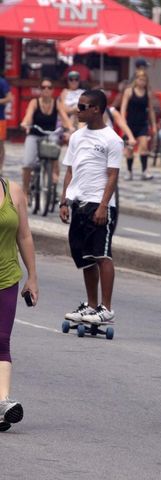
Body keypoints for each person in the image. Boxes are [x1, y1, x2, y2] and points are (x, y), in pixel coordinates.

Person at [59, 89, 123, 325]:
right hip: (79, 203)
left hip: (100, 204)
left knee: (102, 255)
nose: (78, 110)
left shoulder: (112, 139)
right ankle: (91, 305)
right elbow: (69, 170)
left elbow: (113, 175)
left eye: (83, 107)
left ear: (96, 109)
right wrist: (64, 200)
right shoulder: (76, 137)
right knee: (85, 257)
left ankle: (106, 308)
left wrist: (103, 206)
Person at [0, 175, 38, 432]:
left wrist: (32, 277)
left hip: (6, 278)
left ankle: (2, 403)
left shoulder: (12, 190)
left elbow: (24, 236)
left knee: (1, 340)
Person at [20, 78, 73, 199]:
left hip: (50, 134)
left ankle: (53, 184)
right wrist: (25, 123)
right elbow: (28, 115)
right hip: (34, 134)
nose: (46, 90)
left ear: (53, 90)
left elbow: (64, 117)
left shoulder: (56, 103)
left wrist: (70, 127)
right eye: (43, 87)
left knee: (55, 158)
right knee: (28, 163)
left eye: (49, 87)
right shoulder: (34, 102)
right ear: (40, 89)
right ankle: (25, 191)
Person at [121, 70, 157, 181]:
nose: (142, 82)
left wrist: (154, 125)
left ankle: (144, 171)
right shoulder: (129, 91)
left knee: (144, 146)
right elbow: (123, 108)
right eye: (140, 79)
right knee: (130, 149)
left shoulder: (148, 93)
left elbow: (151, 110)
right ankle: (129, 171)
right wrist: (123, 124)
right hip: (130, 124)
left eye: (144, 80)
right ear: (136, 80)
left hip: (143, 124)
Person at [0, 71, 12, 175]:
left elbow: (9, 98)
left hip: (0, 118)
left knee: (0, 144)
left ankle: (0, 168)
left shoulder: (2, 82)